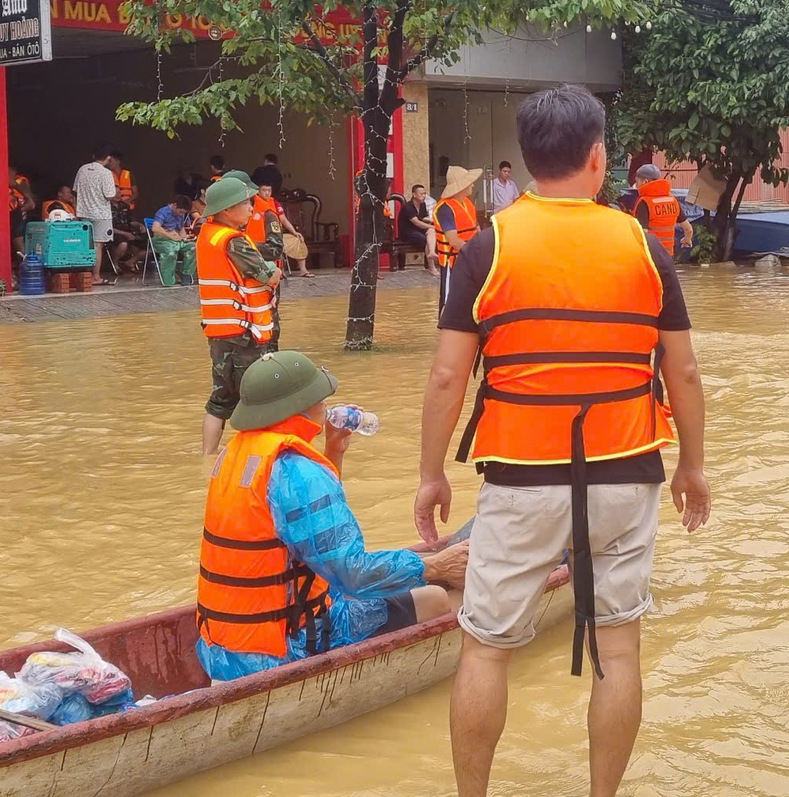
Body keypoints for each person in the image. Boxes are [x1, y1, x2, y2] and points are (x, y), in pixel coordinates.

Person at [416, 85, 708, 797]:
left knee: (485, 647)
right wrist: (693, 467)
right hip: (626, 469)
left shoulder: (489, 246)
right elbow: (686, 370)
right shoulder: (643, 244)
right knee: (619, 647)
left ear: (528, 159)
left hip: (521, 477)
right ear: (599, 157)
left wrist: (431, 475)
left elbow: (448, 376)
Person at [198, 351, 468, 682]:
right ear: (300, 407)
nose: (326, 405)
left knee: (421, 562)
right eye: (321, 399)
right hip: (280, 651)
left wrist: (334, 451)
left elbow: (304, 528)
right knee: (437, 596)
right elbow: (353, 574)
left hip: (223, 647)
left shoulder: (237, 453)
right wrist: (439, 567)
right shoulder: (298, 471)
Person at [197, 176, 280, 455]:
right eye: (244, 203)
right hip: (243, 335)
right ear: (226, 211)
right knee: (257, 397)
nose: (250, 208)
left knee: (220, 399)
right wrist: (274, 272)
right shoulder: (234, 241)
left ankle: (207, 457)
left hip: (219, 334)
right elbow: (267, 275)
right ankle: (258, 454)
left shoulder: (208, 236)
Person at [433, 165, 482, 313]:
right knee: (449, 301)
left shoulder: (468, 203)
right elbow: (453, 240)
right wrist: (473, 252)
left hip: (468, 256)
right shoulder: (445, 208)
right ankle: (444, 329)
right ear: (462, 186)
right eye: (469, 182)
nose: (472, 184)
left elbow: (477, 229)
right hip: (452, 260)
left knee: (470, 296)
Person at [74, 147, 119, 284]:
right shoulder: (106, 173)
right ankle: (95, 276)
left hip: (84, 212)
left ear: (94, 155)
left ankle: (83, 274)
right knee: (97, 245)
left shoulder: (82, 169)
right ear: (108, 158)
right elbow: (110, 195)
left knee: (84, 245)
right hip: (101, 214)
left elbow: (75, 190)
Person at [630, 164, 692, 259]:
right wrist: (686, 239)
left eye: (637, 182)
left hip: (650, 257)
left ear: (645, 181)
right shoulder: (672, 200)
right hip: (668, 257)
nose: (636, 185)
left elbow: (643, 234)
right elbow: (689, 229)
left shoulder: (644, 202)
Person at [151, 194, 198, 287]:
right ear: (175, 205)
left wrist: (184, 238)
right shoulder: (162, 212)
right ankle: (168, 280)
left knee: (194, 247)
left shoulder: (181, 214)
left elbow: (180, 229)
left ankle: (185, 273)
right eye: (180, 212)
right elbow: (155, 228)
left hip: (177, 241)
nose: (181, 214)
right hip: (162, 241)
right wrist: (170, 236)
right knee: (170, 253)